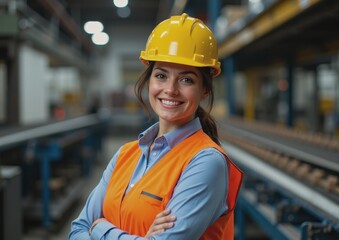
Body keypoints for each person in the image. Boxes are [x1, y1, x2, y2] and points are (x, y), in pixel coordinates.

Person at [69, 13, 243, 240]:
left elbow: (88, 227)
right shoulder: (125, 155)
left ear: (205, 90)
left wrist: (99, 228)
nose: (170, 89)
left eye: (186, 79)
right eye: (161, 75)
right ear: (149, 81)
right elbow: (77, 231)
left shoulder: (206, 162)